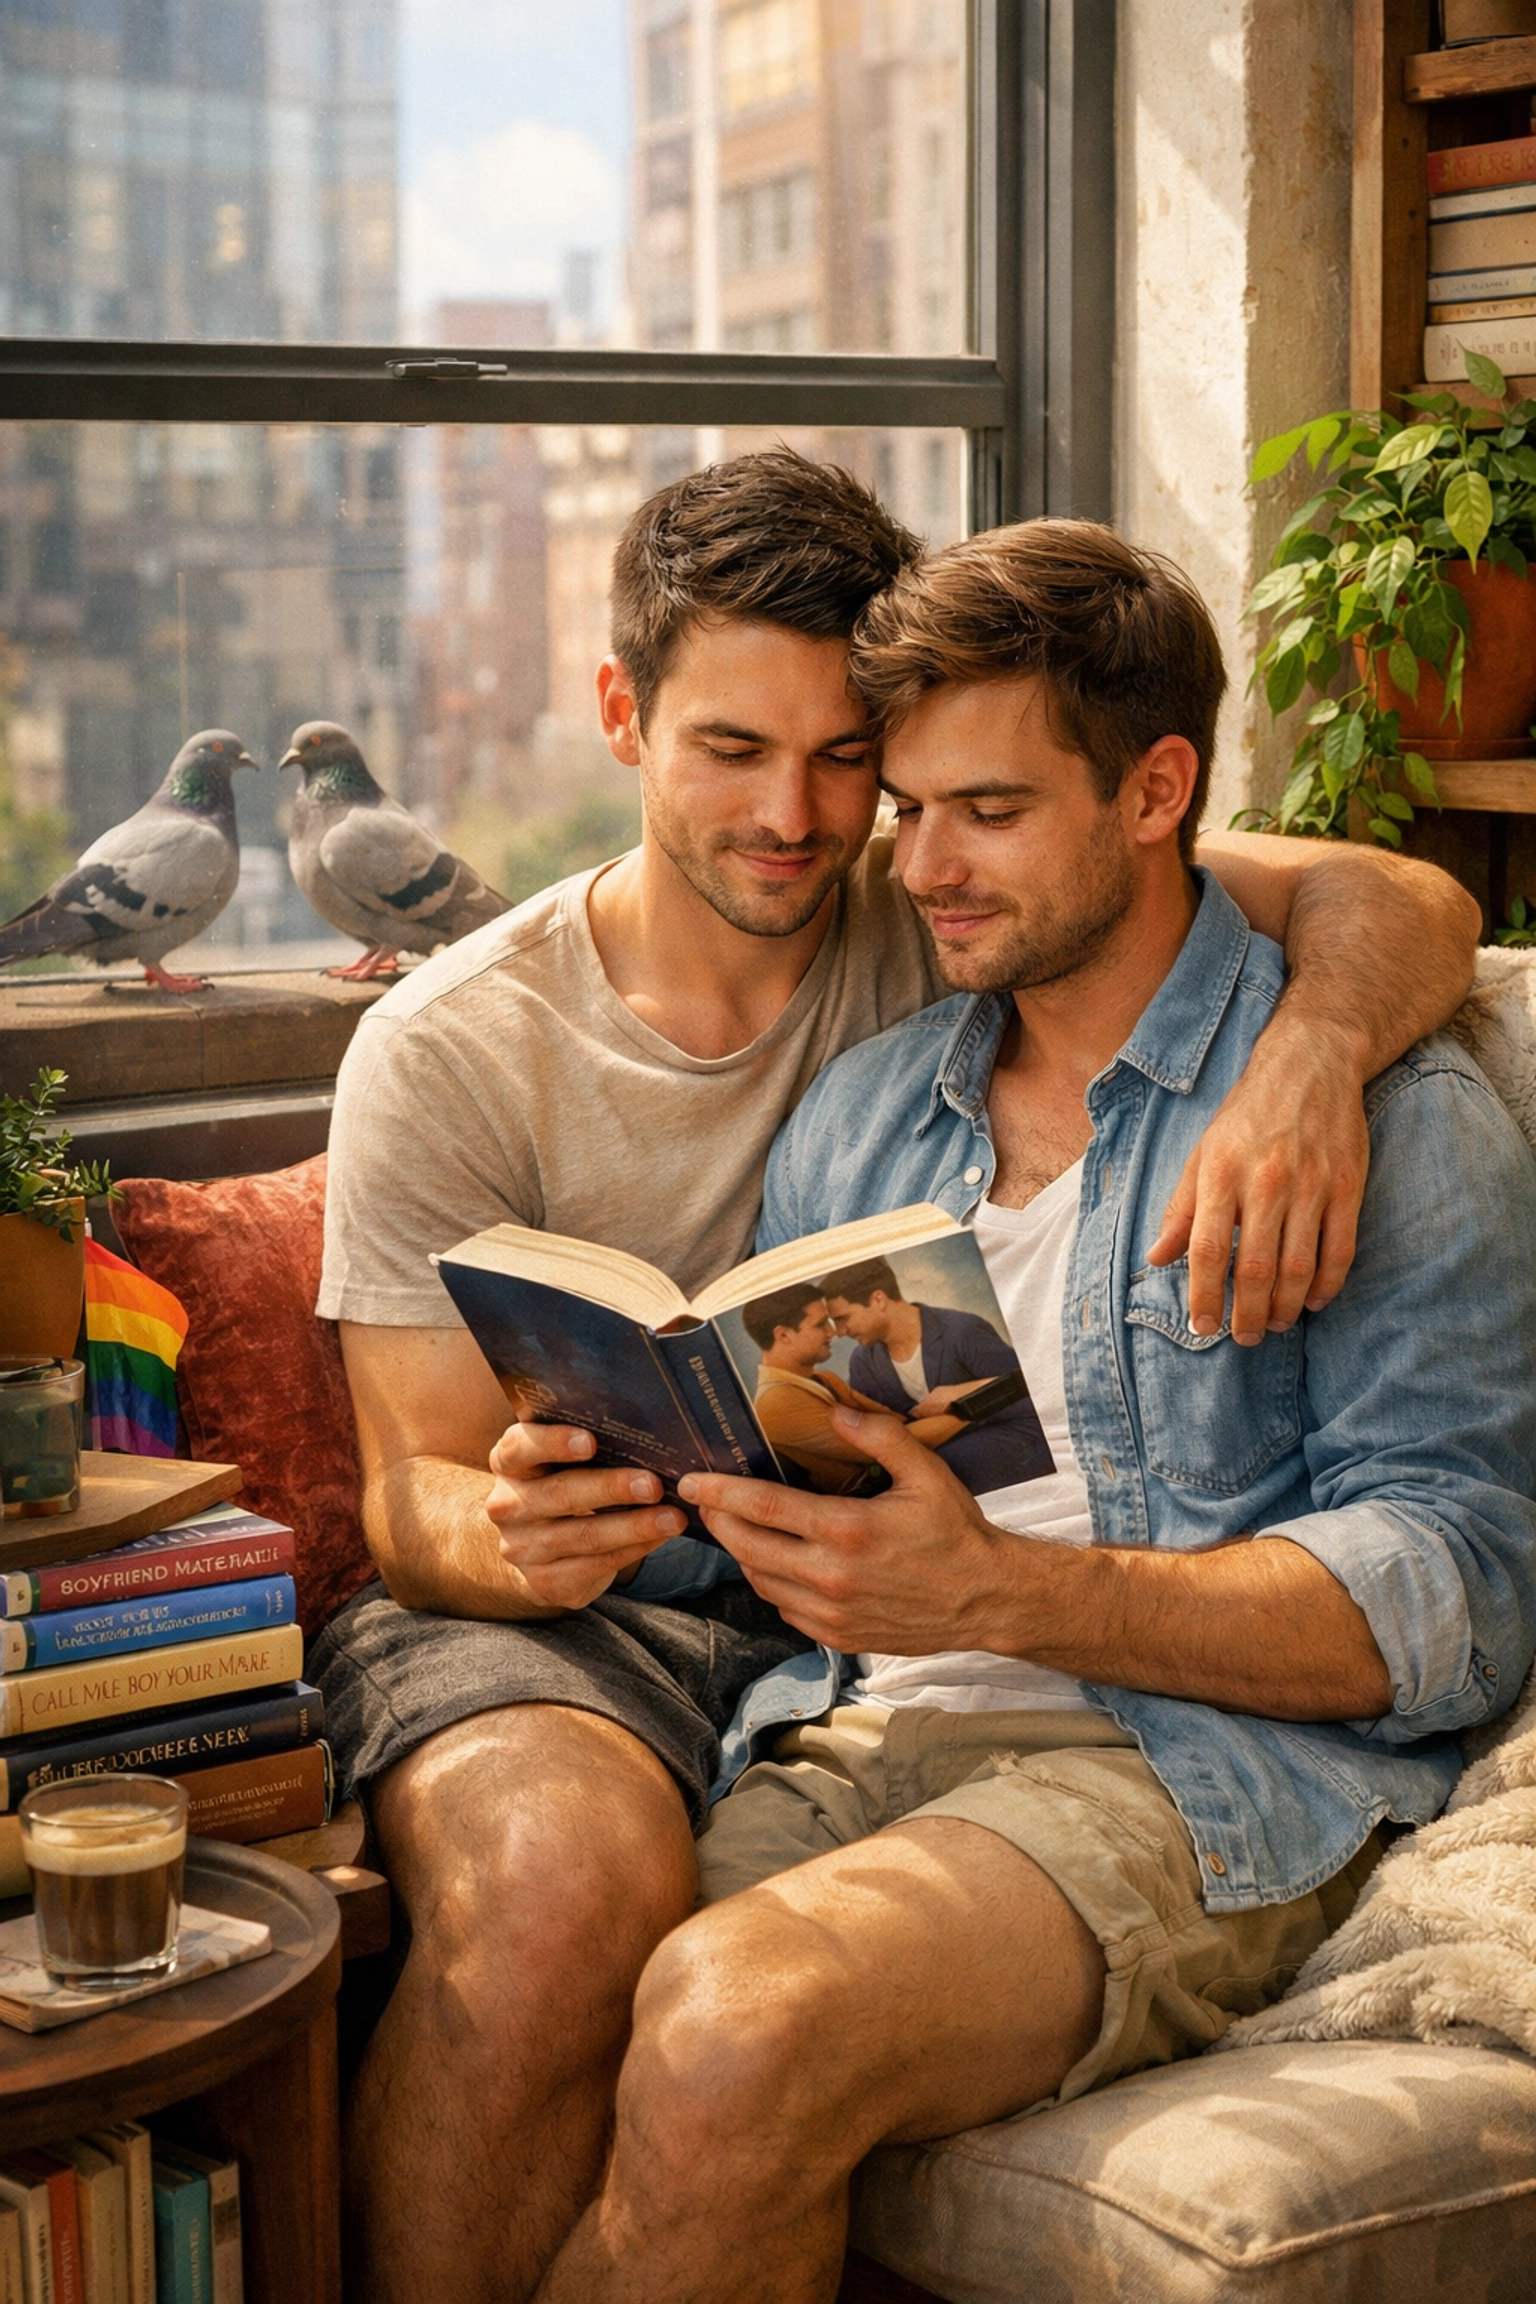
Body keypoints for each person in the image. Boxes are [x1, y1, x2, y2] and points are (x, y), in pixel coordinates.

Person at [311, 449, 1482, 2304]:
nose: (861, 839)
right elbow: (423, 1497)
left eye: (898, 778)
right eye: (739, 754)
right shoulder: (816, 1101)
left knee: (727, 2019)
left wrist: (1314, 1063)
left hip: (1156, 1739)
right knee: (576, 1944)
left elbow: (1464, 1569)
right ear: (624, 718)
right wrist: (572, 1500)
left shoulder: (1302, 1075)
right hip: (746, 1662)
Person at [820, 1253, 1052, 1493]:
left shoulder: (962, 1330)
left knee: (939, 1470)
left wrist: (962, 1394)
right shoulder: (863, 1361)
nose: (839, 1332)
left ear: (878, 1299)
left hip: (1011, 1435)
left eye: (843, 1318)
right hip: (930, 1451)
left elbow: (1033, 1390)